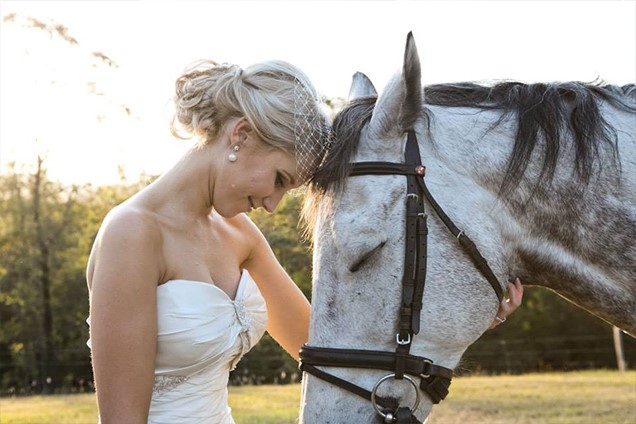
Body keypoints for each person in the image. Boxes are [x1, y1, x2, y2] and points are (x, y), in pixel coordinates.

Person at [86, 58, 523, 424]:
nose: (273, 204)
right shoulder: (133, 233)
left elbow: (328, 348)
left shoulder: (239, 235)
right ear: (239, 135)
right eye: (279, 179)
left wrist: (461, 315)